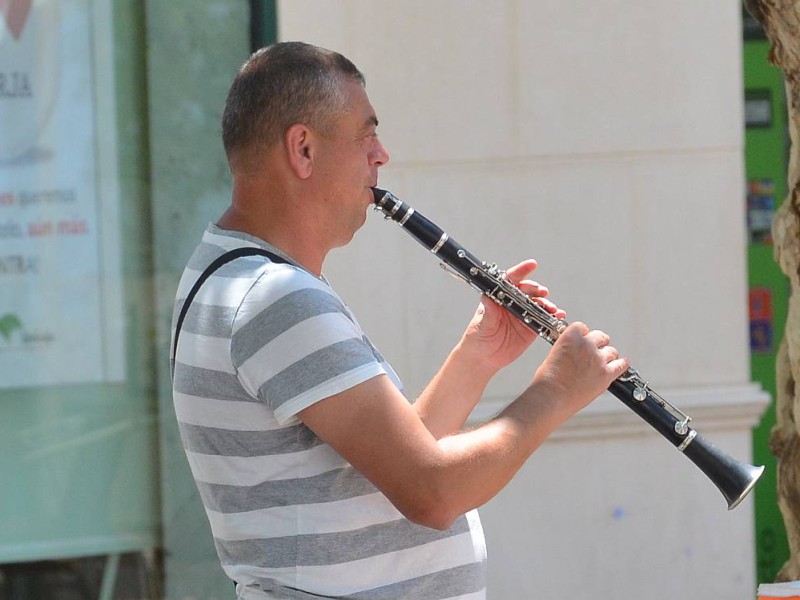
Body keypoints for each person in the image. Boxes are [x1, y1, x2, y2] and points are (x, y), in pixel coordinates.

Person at [170, 41, 629, 600]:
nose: (381, 155)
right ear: (304, 150)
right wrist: (555, 391)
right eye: (366, 136)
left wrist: (475, 359)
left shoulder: (237, 278)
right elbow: (431, 491)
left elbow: (390, 466)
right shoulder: (276, 298)